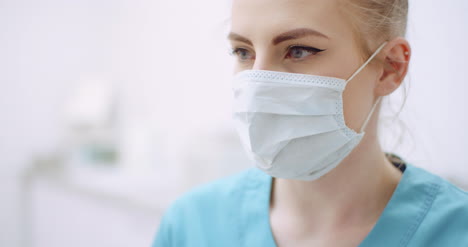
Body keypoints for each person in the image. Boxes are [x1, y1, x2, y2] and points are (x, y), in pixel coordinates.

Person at [152, 0, 468, 246]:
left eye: (298, 50)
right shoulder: (190, 226)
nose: (257, 83)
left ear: (390, 67)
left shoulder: (456, 231)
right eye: (243, 51)